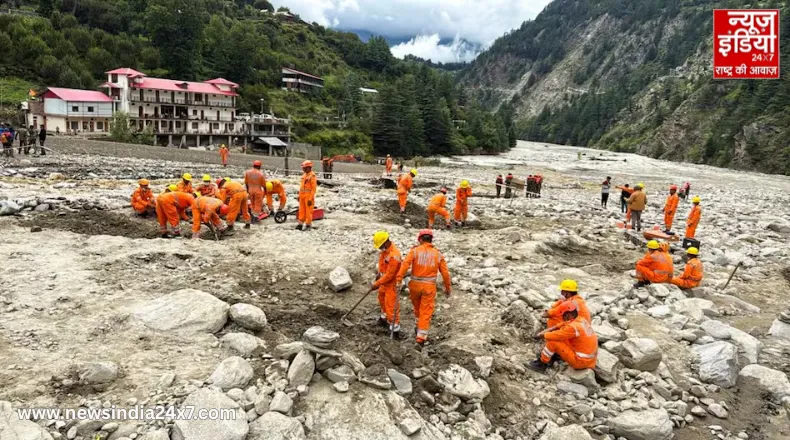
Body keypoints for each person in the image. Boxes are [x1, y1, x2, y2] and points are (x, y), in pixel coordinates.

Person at [396, 229, 452, 347]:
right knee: (425, 312)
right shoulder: (438, 254)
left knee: (417, 308)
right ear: (431, 240)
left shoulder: (415, 251)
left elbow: (405, 265)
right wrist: (448, 288)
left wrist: (399, 279)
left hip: (415, 286)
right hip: (428, 287)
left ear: (420, 239)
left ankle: (418, 326)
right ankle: (420, 339)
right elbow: (445, 273)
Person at [528, 301, 598, 373]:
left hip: (580, 362)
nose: (562, 317)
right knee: (560, 339)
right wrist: (546, 331)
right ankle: (554, 355)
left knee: (552, 341)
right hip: (590, 360)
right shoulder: (581, 319)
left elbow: (556, 335)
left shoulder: (573, 327)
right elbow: (560, 325)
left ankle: (542, 364)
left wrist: (541, 335)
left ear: (568, 315)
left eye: (563, 315)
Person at [369, 231, 403, 337]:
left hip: (392, 284)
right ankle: (384, 318)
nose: (379, 248)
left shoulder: (394, 256)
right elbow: (382, 267)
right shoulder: (385, 252)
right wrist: (378, 275)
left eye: (380, 246)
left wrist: (377, 284)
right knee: (382, 298)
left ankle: (395, 329)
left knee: (391, 306)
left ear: (385, 242)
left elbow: (390, 275)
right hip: (384, 282)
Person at [297, 160, 317, 231]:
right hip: (302, 196)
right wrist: (299, 195)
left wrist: (310, 199)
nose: (303, 169)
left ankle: (308, 224)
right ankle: (300, 223)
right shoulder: (304, 175)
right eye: (303, 168)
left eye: (304, 168)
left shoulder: (312, 176)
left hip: (308, 196)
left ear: (309, 167)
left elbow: (313, 189)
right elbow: (301, 187)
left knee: (308, 211)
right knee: (301, 210)